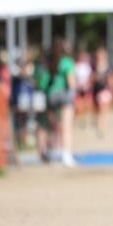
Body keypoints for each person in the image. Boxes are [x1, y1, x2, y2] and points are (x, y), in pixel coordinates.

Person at [44, 38, 78, 167]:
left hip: (51, 95)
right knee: (66, 126)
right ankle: (66, 154)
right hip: (65, 95)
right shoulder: (68, 63)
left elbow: (45, 81)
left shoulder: (51, 62)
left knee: (53, 126)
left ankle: (52, 151)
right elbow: (71, 82)